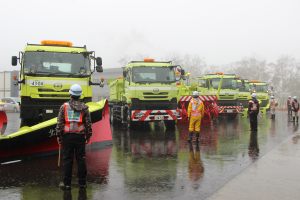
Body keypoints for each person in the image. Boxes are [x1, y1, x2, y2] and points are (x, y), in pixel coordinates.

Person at [56, 84, 92, 190]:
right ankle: (82, 183)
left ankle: (67, 184)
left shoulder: (64, 106)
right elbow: (88, 124)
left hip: (67, 137)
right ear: (80, 95)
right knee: (81, 159)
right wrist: (88, 135)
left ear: (70, 94)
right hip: (80, 137)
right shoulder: (85, 107)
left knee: (68, 160)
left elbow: (60, 123)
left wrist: (59, 135)